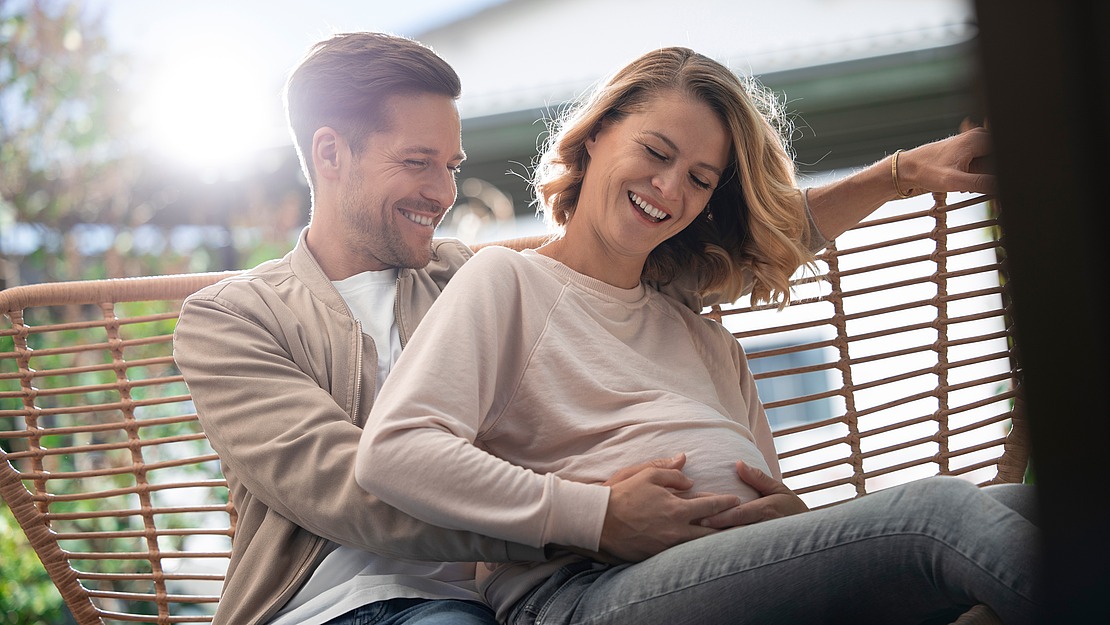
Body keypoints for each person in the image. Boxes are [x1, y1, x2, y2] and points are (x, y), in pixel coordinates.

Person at [173, 32, 1003, 625]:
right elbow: (356, 485)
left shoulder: (469, 276)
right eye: (417, 163)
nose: (442, 191)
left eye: (451, 166)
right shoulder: (236, 316)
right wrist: (591, 515)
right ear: (330, 155)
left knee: (1006, 515)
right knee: (938, 524)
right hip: (345, 604)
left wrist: (896, 176)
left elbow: (653, 255)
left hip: (498, 594)